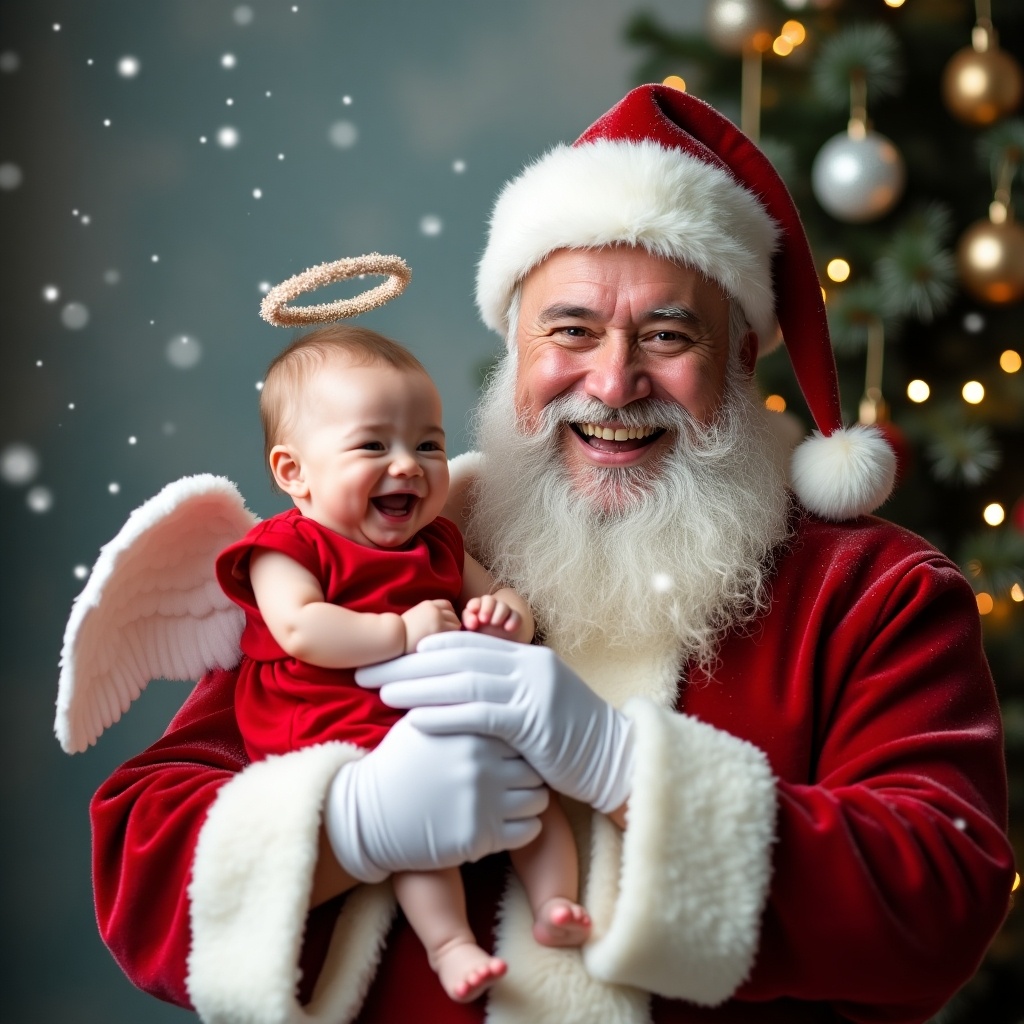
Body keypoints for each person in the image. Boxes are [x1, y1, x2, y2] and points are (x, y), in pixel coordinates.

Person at [89, 85, 1015, 1023]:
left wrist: (625, 771)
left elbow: (941, 896)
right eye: (570, 331)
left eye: (667, 335)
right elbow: (139, 861)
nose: (612, 383)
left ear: (742, 361)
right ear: (515, 346)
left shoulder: (875, 591)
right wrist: (350, 827)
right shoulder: (395, 540)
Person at [215, 324, 591, 1003]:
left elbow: (500, 594)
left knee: (535, 799)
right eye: (372, 445)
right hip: (345, 730)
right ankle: (450, 947)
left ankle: (555, 904)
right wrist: (400, 630)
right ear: (292, 471)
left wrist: (507, 617)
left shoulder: (440, 540)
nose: (408, 465)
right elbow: (301, 629)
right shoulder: (286, 547)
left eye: (428, 444)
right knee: (418, 838)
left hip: (440, 716)